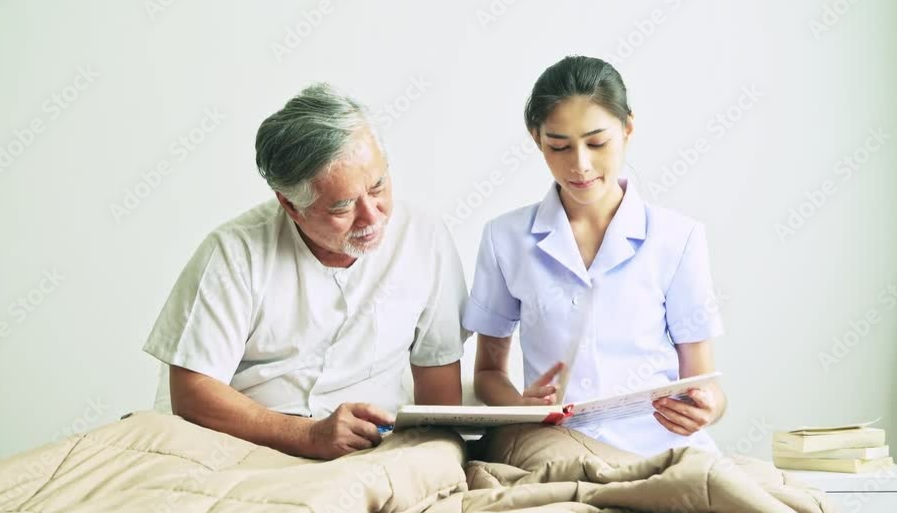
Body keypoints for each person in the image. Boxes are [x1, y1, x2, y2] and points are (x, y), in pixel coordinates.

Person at [143, 83, 469, 460]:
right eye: (342, 207)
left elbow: (439, 387)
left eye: (378, 187)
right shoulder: (234, 252)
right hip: (243, 449)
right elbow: (191, 393)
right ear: (290, 205)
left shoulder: (425, 238)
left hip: (374, 453)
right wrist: (308, 435)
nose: (371, 216)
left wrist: (434, 457)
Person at [463, 56, 727, 457]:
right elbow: (487, 373)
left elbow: (704, 383)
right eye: (559, 146)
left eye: (597, 143)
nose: (580, 165)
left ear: (627, 128)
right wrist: (520, 407)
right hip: (557, 449)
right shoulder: (505, 238)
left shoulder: (678, 237)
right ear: (537, 139)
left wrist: (708, 408)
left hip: (659, 449)